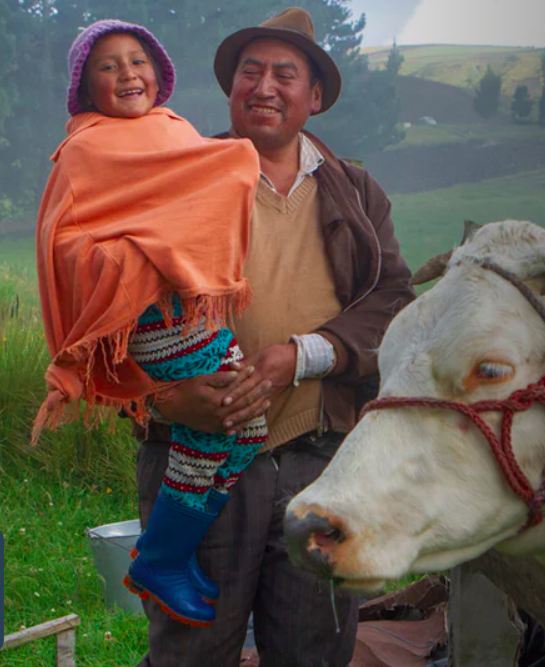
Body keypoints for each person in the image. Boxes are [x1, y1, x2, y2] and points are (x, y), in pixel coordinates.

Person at [133, 7, 415, 667]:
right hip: (197, 454)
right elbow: (120, 310)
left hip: (320, 457)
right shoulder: (177, 180)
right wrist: (173, 398)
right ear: (229, 89)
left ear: (314, 97)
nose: (264, 87)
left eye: (284, 74)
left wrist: (302, 355)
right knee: (191, 648)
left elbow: (391, 299)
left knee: (312, 648)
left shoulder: (356, 193)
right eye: (249, 72)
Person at [35, 19, 270, 628]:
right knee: (223, 414)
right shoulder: (86, 147)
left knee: (247, 424)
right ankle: (163, 557)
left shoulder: (174, 130)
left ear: (157, 71)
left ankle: (170, 548)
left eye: (136, 60)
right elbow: (64, 240)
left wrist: (235, 165)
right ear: (88, 86)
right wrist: (130, 256)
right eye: (108, 67)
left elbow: (203, 193)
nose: (127, 75)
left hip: (187, 299)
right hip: (143, 312)